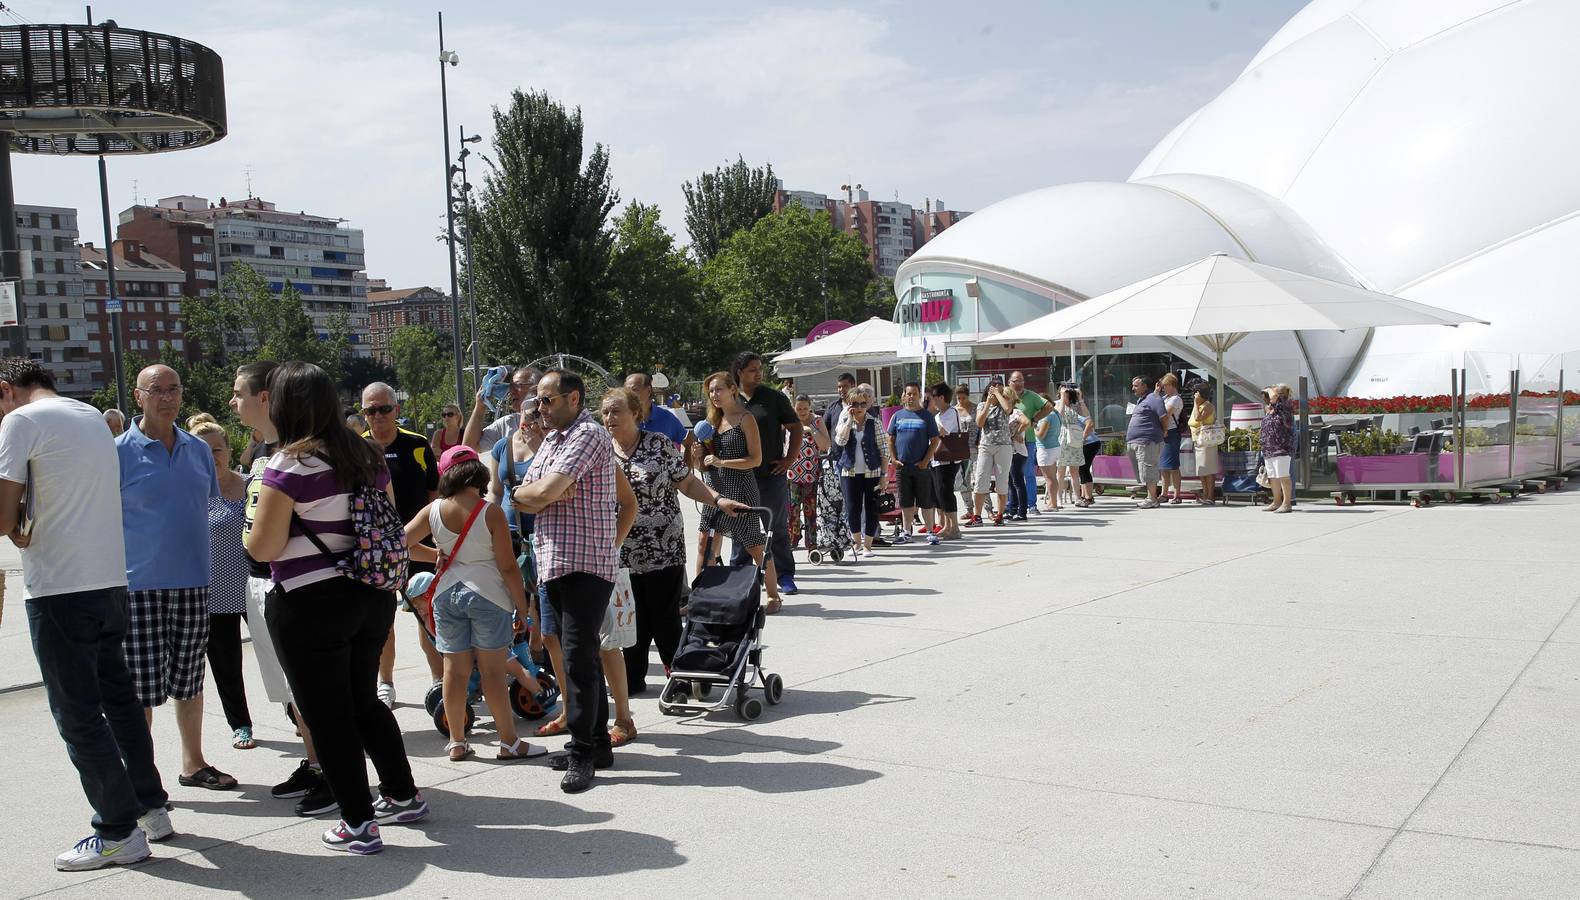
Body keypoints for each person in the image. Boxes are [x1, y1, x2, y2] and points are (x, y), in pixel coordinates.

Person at [247, 362, 427, 855]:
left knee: (326, 715)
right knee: (362, 699)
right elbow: (384, 523)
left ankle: (357, 823)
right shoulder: (368, 455)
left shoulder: (289, 465)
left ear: (283, 406)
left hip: (310, 602)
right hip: (371, 597)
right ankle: (402, 792)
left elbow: (263, 548)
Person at [0, 358, 173, 871]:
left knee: (77, 714)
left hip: (59, 587)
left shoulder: (19, 421)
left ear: (5, 389)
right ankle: (150, 807)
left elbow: (3, 517)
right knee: (118, 701)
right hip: (108, 582)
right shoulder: (93, 416)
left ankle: (116, 830)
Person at [512, 369, 637, 793]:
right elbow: (524, 493)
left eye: (547, 400)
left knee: (579, 660)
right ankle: (597, 744)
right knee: (573, 658)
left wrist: (544, 492)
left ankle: (583, 753)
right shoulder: (552, 440)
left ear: (573, 398)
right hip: (554, 563)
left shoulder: (587, 435)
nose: (540, 408)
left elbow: (545, 492)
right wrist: (533, 492)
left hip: (584, 564)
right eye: (538, 401)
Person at [116, 364, 232, 791]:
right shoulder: (116, 452)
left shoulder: (199, 450)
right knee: (139, 689)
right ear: (138, 395)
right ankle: (141, 776)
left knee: (189, 680)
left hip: (193, 582)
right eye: (157, 390)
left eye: (173, 390)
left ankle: (193, 763)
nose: (167, 398)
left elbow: (208, 509)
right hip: (137, 587)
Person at [230, 362, 332, 816]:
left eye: (239, 393)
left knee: (310, 687)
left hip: (291, 583)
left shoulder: (297, 454)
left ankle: (333, 771)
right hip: (259, 581)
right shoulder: (261, 452)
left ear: (266, 397)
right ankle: (314, 762)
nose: (234, 402)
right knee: (289, 691)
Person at [602, 388, 747, 700]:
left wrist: (718, 499)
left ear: (635, 414)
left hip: (662, 548)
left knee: (664, 617)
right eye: (605, 412)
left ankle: (680, 676)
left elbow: (688, 482)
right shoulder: (600, 450)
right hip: (618, 550)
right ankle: (632, 678)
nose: (609, 418)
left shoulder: (658, 445)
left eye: (616, 411)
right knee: (628, 616)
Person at [404, 445, 546, 762]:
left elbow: (401, 544)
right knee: (494, 673)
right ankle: (509, 742)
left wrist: (433, 556)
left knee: (453, 673)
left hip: (445, 596)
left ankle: (456, 741)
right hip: (488, 596)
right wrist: (522, 609)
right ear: (478, 473)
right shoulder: (490, 512)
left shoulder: (433, 510)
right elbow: (508, 566)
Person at [361, 382, 442, 707]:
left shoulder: (418, 445)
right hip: (377, 551)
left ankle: (440, 681)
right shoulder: (356, 448)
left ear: (396, 410)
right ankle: (386, 682)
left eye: (384, 409)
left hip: (419, 547)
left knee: (428, 616)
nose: (377, 416)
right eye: (370, 410)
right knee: (382, 621)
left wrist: (440, 542)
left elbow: (435, 497)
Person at [188, 417, 255, 752]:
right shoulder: (191, 492)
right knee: (227, 666)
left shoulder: (250, 485)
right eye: (203, 451)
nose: (212, 456)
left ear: (229, 450)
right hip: (214, 594)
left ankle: (296, 714)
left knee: (282, 658)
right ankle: (240, 724)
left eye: (217, 449)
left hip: (255, 587)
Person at [692, 372, 783, 608]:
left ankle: (773, 595)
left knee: (754, 545)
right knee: (705, 543)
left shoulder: (745, 419)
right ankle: (701, 597)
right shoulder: (711, 422)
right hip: (714, 491)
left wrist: (723, 462)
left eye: (718, 389)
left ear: (733, 389)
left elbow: (755, 460)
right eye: (711, 391)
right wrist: (697, 458)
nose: (714, 395)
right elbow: (703, 464)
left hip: (741, 488)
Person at [730, 352, 802, 596]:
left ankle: (785, 576)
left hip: (770, 475)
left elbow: (796, 427)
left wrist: (790, 458)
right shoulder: (729, 398)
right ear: (739, 372)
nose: (758, 373)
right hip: (738, 477)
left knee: (777, 528)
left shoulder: (774, 397)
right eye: (752, 369)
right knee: (741, 528)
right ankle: (740, 576)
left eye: (760, 368)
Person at [834, 385, 889, 556]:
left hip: (871, 471)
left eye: (862, 404)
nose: (859, 408)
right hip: (849, 471)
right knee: (852, 508)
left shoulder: (875, 422)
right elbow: (840, 442)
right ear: (849, 405)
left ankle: (868, 546)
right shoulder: (844, 422)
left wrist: (883, 475)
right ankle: (856, 543)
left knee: (871, 507)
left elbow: (884, 450)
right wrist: (850, 421)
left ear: (867, 405)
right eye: (855, 404)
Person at [887, 382, 941, 545]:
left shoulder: (927, 416)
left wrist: (925, 461)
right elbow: (891, 439)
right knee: (906, 502)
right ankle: (906, 532)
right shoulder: (897, 416)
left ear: (919, 396)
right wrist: (894, 459)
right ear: (904, 396)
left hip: (921, 467)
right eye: (908, 394)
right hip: (903, 467)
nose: (911, 396)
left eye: (914, 394)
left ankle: (931, 531)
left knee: (926, 501)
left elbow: (935, 440)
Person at [786, 394, 830, 552]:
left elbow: (825, 445)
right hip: (792, 474)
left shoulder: (817, 420)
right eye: (799, 408)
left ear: (810, 407)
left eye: (805, 408)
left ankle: (811, 542)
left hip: (812, 474)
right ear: (794, 408)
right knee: (792, 510)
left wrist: (811, 430)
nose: (802, 411)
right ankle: (792, 539)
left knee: (810, 510)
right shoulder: (789, 420)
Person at [463, 365, 540, 452]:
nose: (511, 391)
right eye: (510, 387)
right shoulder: (506, 424)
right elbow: (469, 447)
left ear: (536, 388)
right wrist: (480, 405)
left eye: (518, 386)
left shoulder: (550, 420)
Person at [971, 379, 1015, 526]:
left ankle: (1000, 515)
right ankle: (977, 516)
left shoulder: (1005, 403)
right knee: (980, 481)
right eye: (994, 389)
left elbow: (1008, 409)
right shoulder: (982, 405)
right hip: (985, 445)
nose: (997, 393)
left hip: (1004, 446)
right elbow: (979, 422)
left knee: (1002, 482)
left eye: (1000, 390)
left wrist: (999, 394)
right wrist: (989, 402)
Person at [1008, 371, 1051, 518]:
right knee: (1010, 476)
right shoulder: (1006, 397)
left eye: (1021, 381)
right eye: (1015, 381)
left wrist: (1034, 419)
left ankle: (1031, 505)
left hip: (1028, 440)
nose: (1019, 384)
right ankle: (1011, 506)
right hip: (1008, 442)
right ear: (1009, 382)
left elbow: (1049, 406)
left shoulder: (1031, 396)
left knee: (1028, 474)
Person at [1125, 376, 1167, 509]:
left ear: (1144, 386)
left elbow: (1164, 417)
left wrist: (1164, 431)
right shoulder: (1141, 400)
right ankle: (1150, 496)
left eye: (1136, 385)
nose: (1133, 388)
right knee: (1143, 471)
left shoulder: (1154, 398)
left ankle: (1152, 498)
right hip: (1136, 442)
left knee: (1148, 469)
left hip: (1148, 441)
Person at [928, 383, 964, 539]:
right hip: (936, 459)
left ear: (941, 397)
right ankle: (947, 525)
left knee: (946, 492)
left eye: (933, 397)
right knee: (940, 493)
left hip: (948, 459)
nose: (931, 400)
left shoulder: (951, 412)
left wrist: (929, 418)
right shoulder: (937, 415)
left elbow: (943, 431)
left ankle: (954, 527)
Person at [625, 373, 689, 445]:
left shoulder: (666, 418)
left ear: (649, 391)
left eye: (634, 390)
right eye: (627, 391)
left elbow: (687, 442)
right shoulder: (622, 419)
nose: (630, 395)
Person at [1261, 383, 1297, 513]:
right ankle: (1276, 501)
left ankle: (1287, 503)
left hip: (1281, 446)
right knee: (1273, 476)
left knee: (1283, 475)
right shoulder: (1271, 408)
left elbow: (1274, 396)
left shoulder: (1284, 406)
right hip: (1270, 447)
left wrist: (1270, 389)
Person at [1158, 374, 1186, 504]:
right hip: (1164, 432)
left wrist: (1164, 429)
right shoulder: (1165, 398)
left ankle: (1177, 494)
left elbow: (1165, 415)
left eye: (1165, 386)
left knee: (1173, 465)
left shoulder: (1175, 399)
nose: (1163, 389)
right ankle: (1164, 493)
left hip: (1171, 432)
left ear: (1171, 385)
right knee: (1163, 465)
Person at [1190, 383, 1220, 505]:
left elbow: (1198, 418)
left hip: (1207, 441)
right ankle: (1205, 494)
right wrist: (1196, 404)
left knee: (1208, 470)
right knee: (1202, 471)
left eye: (1196, 392)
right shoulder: (1198, 405)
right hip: (1198, 441)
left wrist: (1196, 404)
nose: (1194, 394)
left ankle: (1210, 496)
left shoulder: (1208, 406)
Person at [1034, 397, 1064, 512]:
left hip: (1046, 449)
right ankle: (1053, 502)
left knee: (1049, 478)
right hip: (1054, 447)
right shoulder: (1056, 414)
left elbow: (1041, 434)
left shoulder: (1047, 416)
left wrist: (1033, 428)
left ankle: (1053, 504)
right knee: (1053, 477)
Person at [953, 385, 978, 518]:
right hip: (961, 449)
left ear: (968, 396)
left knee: (978, 479)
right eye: (958, 398)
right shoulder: (954, 410)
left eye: (963, 397)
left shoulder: (976, 408)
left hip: (975, 447)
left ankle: (987, 508)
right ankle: (969, 509)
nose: (961, 400)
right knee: (964, 481)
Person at [1078, 389, 1102, 507]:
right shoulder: (1071, 408)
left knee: (1084, 468)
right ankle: (1084, 495)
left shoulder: (1081, 408)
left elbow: (1090, 423)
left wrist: (1082, 438)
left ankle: (1089, 497)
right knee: (1081, 469)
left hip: (1090, 443)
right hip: (1083, 443)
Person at [822, 373, 857, 453]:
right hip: (837, 456)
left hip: (857, 455)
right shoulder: (832, 407)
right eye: (839, 387)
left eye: (845, 386)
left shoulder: (860, 406)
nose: (841, 389)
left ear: (853, 386)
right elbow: (824, 428)